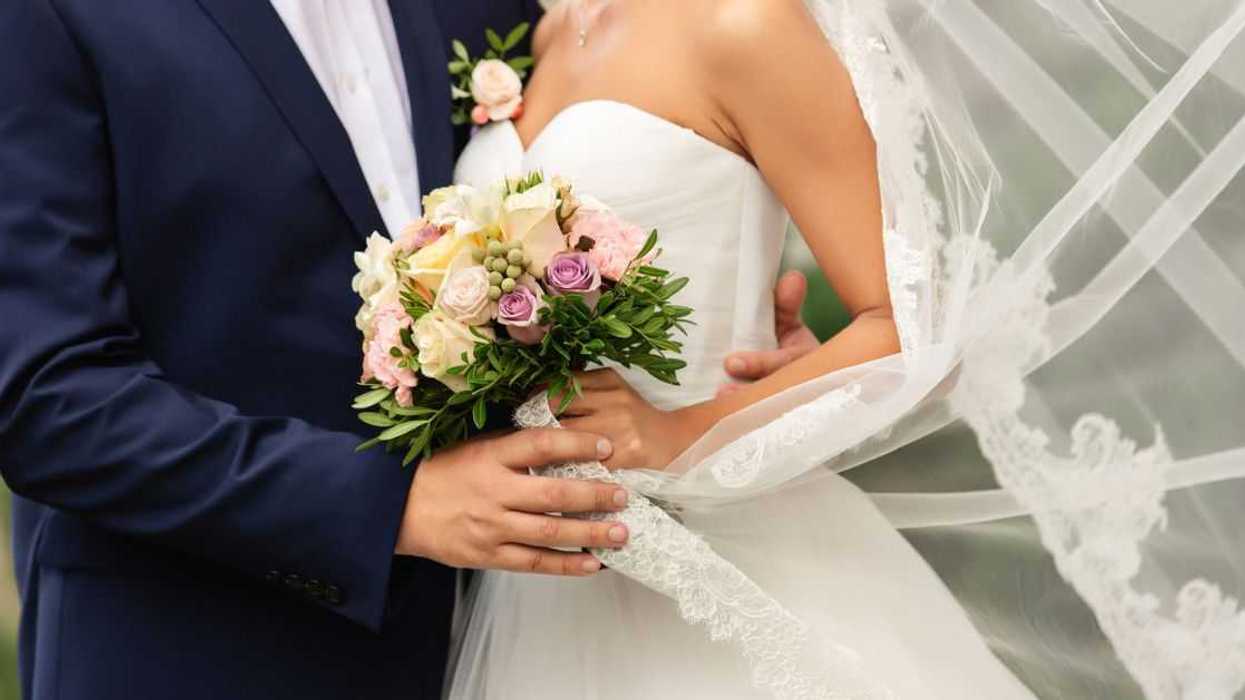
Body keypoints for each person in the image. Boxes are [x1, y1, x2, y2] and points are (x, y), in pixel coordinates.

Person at [0, 1, 815, 697]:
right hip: (189, 650)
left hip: (527, 641)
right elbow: (47, 398)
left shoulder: (495, 10)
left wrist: (743, 370)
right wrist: (392, 506)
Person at [448, 0, 1245, 698]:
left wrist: (683, 433)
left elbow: (910, 327)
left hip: (726, 543)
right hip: (541, 577)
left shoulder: (742, 20)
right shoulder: (536, 33)